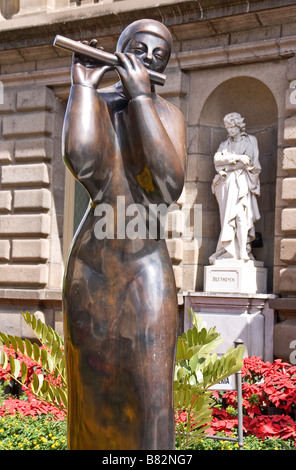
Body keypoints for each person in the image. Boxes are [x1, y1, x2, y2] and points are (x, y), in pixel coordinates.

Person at [62, 19, 186, 450]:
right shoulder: (96, 104)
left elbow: (166, 185)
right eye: (139, 49)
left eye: (159, 56)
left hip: (146, 265)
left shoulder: (169, 115)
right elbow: (85, 166)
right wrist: (82, 88)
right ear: (121, 49)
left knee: (153, 398)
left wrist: (140, 99)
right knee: (89, 390)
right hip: (91, 267)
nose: (148, 60)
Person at [210, 112, 261, 263]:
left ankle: (244, 251)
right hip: (226, 186)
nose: (230, 130)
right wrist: (237, 158)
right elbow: (217, 160)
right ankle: (228, 250)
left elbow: (250, 163)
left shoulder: (251, 141)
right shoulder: (224, 144)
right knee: (227, 219)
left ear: (239, 126)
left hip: (243, 182)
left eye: (232, 127)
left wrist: (227, 164)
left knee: (241, 216)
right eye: (227, 127)